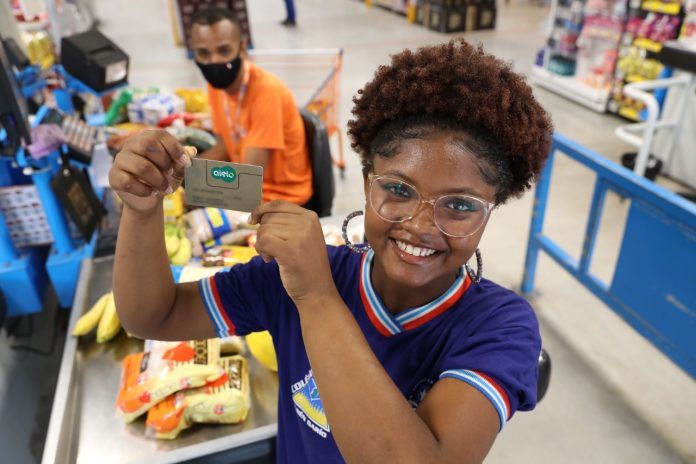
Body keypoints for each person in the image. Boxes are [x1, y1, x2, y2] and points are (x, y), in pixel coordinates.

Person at [109, 39, 553, 463]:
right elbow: (153, 315)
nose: (420, 226)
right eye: (398, 189)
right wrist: (142, 210)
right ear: (365, 185)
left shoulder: (499, 326)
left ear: (490, 211)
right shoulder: (293, 275)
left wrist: (317, 298)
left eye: (459, 205)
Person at [190, 7, 312, 205]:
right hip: (246, 192)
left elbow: (247, 179)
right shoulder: (217, 88)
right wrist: (184, 170)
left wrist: (195, 184)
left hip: (281, 201)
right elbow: (224, 147)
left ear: (242, 47)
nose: (214, 62)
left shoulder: (266, 91)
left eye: (224, 50)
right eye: (203, 53)